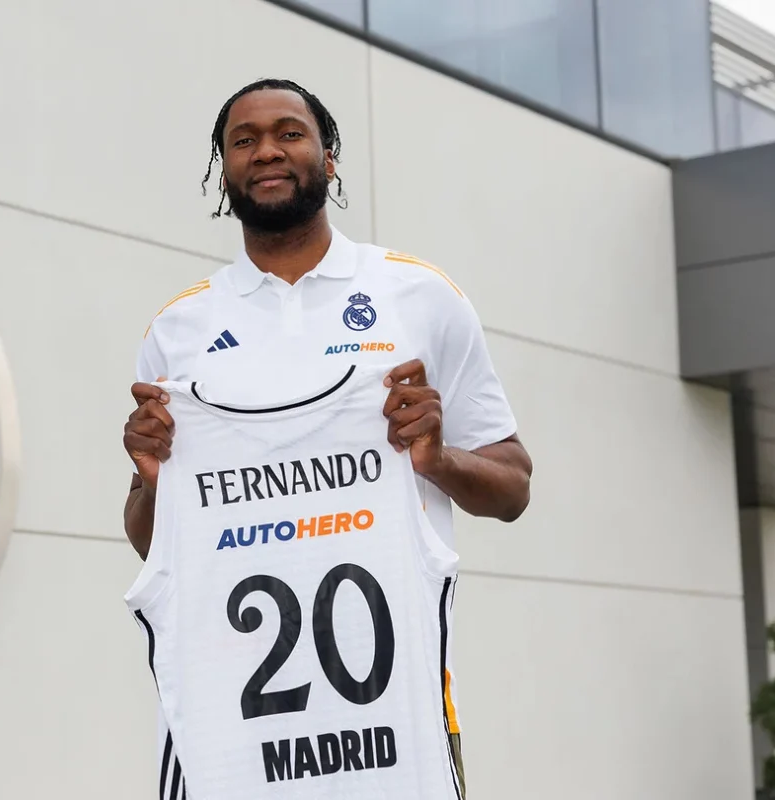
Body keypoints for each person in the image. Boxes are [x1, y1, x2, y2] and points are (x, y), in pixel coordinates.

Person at [121, 77, 533, 798]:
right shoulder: (178, 330)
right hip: (231, 746)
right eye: (243, 141)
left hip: (395, 736)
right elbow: (148, 537)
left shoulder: (420, 296)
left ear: (329, 156)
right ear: (224, 170)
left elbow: (514, 487)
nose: (267, 151)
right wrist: (153, 476)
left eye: (289, 132)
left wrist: (437, 459)